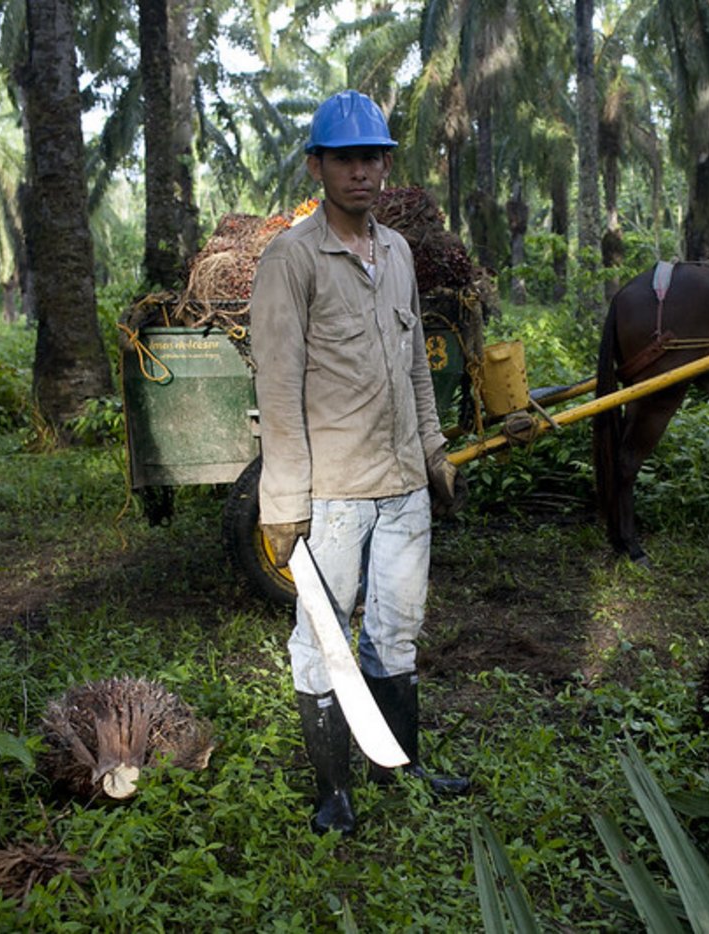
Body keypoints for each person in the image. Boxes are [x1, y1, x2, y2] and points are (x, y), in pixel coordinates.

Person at [249, 89, 470, 836]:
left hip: (403, 484)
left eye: (373, 157)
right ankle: (333, 791)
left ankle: (398, 766)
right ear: (318, 166)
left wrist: (434, 450)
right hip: (334, 494)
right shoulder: (292, 258)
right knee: (321, 643)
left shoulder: (400, 253)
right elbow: (276, 386)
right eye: (346, 158)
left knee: (396, 634)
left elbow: (415, 368)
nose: (362, 172)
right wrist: (282, 501)